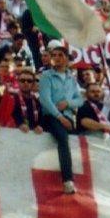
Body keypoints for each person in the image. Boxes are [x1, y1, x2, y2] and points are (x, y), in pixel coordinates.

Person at [38, 40, 81, 194]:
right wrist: (60, 116)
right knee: (63, 138)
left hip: (67, 116)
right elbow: (45, 100)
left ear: (66, 59)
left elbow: (80, 100)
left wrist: (68, 103)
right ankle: (67, 180)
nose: (56, 58)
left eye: (60, 55)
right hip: (51, 117)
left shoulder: (71, 78)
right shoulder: (46, 76)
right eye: (53, 55)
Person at [5, 68, 44, 133]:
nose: (26, 83)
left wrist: (40, 126)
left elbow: (41, 118)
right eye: (22, 80)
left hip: (34, 137)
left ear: (33, 83)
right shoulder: (12, 98)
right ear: (18, 82)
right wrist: (20, 124)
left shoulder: (37, 101)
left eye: (29, 81)